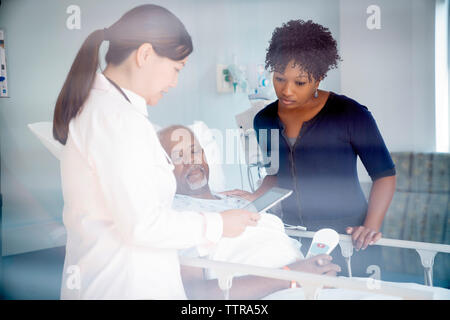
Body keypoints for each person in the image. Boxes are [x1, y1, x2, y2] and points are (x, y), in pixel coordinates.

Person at [53, 5, 259, 300]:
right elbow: (143, 224)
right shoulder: (115, 118)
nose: (175, 83)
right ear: (145, 54)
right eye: (176, 69)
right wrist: (218, 224)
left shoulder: (111, 111)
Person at [222, 20, 396, 276]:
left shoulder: (350, 115)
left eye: (300, 83)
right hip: (292, 235)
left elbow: (384, 175)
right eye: (279, 79)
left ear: (319, 78)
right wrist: (254, 198)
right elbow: (274, 174)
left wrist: (370, 225)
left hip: (348, 237)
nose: (286, 90)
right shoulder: (264, 120)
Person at [158, 125, 341, 299]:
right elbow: (196, 293)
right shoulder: (177, 216)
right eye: (178, 156)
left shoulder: (237, 200)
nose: (191, 161)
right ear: (163, 168)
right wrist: (290, 276)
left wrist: (316, 270)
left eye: (194, 151)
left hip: (309, 285)